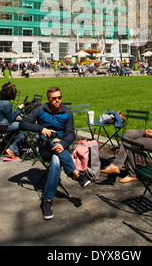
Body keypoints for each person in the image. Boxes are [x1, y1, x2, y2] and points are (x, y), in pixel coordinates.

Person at [19, 86, 90, 220]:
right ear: (48, 100)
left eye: (59, 98)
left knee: (56, 159)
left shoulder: (67, 113)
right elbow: (23, 123)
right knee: (53, 140)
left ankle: (47, 201)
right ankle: (75, 173)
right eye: (54, 98)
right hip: (45, 146)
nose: (57, 101)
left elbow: (70, 133)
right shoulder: (40, 110)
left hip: (61, 147)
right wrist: (41, 129)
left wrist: (63, 144)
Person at [0, 82, 27, 160]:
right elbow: (11, 119)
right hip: (3, 125)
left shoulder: (1, 100)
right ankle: (13, 150)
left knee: (18, 128)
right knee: (25, 128)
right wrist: (19, 109)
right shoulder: (7, 103)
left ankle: (4, 145)